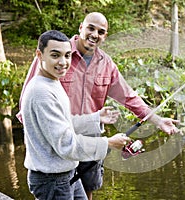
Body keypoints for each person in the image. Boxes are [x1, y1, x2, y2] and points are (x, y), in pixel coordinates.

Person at [18, 12, 180, 200]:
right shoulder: (51, 56)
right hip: (58, 147)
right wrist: (37, 144)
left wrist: (157, 120)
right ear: (81, 28)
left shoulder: (106, 64)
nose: (95, 34)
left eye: (101, 31)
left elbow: (129, 97)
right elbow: (27, 108)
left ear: (105, 36)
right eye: (91, 28)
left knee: (87, 190)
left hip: (89, 139)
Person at [21, 30, 130, 200]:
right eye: (55, 55)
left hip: (66, 173)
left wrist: (95, 118)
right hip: (52, 181)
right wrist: (108, 143)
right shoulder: (41, 92)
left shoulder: (51, 82)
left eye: (67, 55)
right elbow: (66, 144)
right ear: (39, 55)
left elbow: (62, 124)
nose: (63, 62)